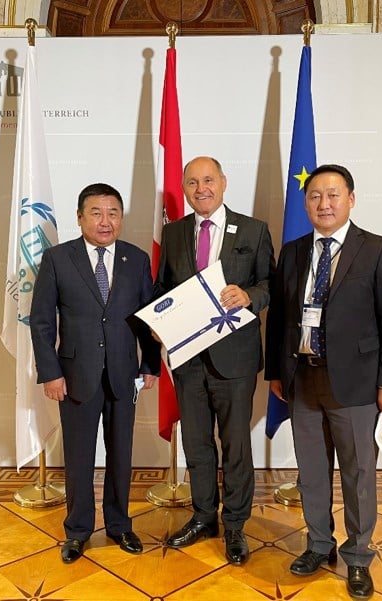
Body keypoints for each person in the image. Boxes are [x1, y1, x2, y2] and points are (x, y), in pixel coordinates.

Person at [265, 164, 382, 599]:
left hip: (358, 385)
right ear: (306, 203)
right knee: (311, 471)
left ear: (351, 199)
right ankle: (318, 544)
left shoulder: (376, 249)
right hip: (302, 379)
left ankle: (358, 555)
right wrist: (275, 372)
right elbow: (280, 318)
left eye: (332, 195)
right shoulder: (293, 251)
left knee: (358, 474)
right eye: (314, 196)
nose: (323, 204)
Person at [30, 182, 160, 564]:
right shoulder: (58, 259)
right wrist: (50, 373)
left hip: (124, 375)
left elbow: (149, 318)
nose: (106, 221)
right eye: (97, 213)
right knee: (79, 458)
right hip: (74, 377)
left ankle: (120, 525)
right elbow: (41, 322)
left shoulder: (136, 259)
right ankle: (78, 531)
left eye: (113, 213)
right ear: (80, 217)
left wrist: (150, 364)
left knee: (121, 456)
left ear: (121, 218)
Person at [154, 156, 275, 565]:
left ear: (223, 182)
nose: (201, 188)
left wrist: (250, 296)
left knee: (236, 444)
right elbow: (162, 288)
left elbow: (272, 283)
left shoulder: (254, 229)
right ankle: (204, 516)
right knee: (196, 443)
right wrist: (158, 323)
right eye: (192, 182)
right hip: (187, 359)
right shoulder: (173, 233)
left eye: (208, 180)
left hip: (235, 360)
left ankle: (236, 524)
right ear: (184, 188)